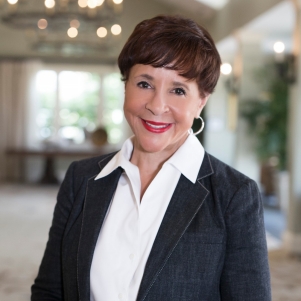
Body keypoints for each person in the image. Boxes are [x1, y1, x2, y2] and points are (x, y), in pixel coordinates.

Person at [31, 15, 271, 301]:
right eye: (144, 84)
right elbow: (50, 290)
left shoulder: (235, 195)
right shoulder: (80, 179)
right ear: (125, 86)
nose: (157, 106)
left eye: (178, 90)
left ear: (201, 101)